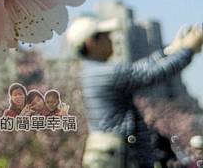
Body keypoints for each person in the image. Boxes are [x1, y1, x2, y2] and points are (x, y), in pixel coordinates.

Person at [66, 17, 203, 168]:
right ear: (91, 43)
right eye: (105, 36)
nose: (111, 39)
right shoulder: (107, 73)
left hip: (111, 151)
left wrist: (171, 50)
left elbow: (139, 68)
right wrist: (188, 50)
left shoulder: (91, 71)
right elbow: (151, 73)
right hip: (121, 154)